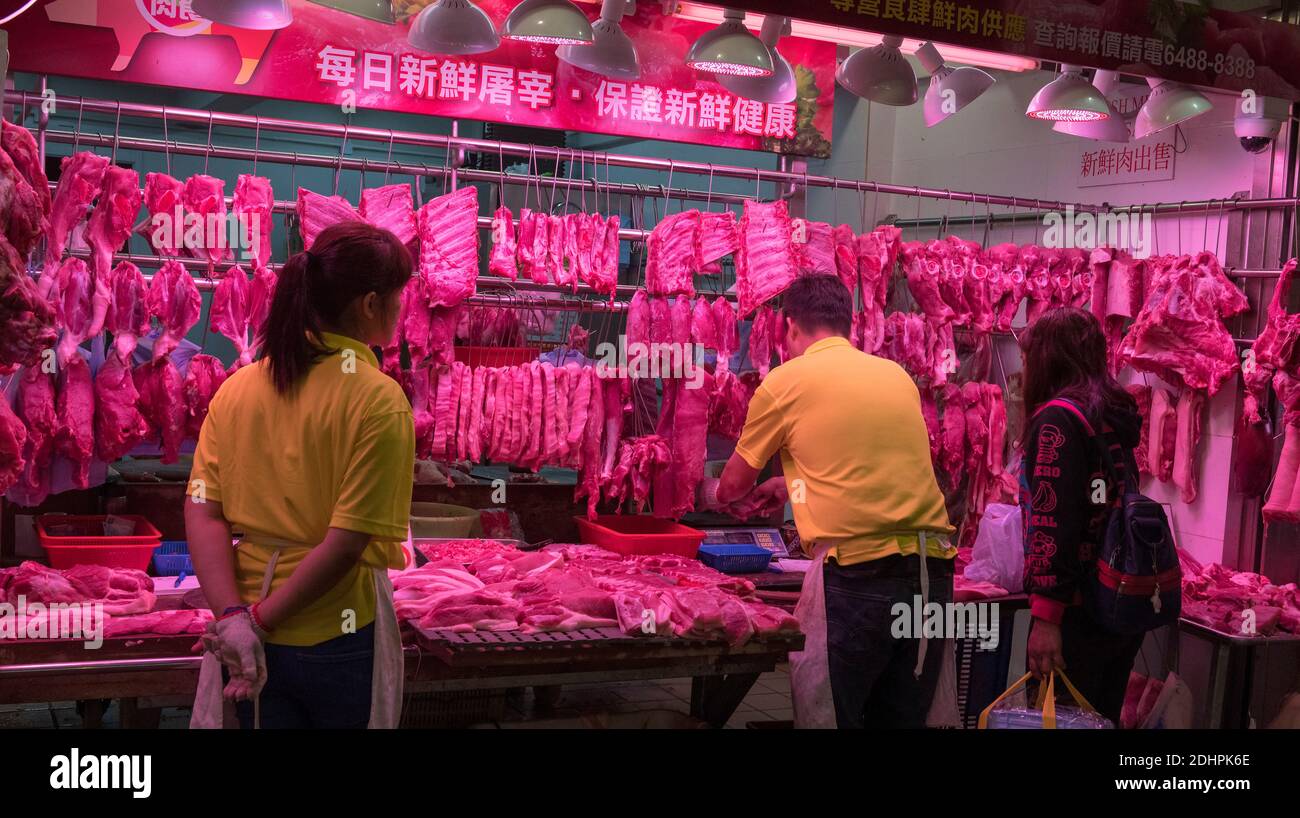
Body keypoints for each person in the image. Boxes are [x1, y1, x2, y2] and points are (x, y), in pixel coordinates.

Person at [187, 222, 415, 729]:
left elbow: (203, 511)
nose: (404, 308)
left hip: (244, 632)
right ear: (371, 305)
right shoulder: (378, 400)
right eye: (400, 296)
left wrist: (235, 620)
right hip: (336, 636)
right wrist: (258, 623)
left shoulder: (238, 388)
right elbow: (344, 544)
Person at [709, 274, 955, 729]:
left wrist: (709, 492)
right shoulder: (895, 376)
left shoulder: (785, 381)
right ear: (848, 324)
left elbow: (732, 486)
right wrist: (790, 487)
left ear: (788, 327)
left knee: (837, 719)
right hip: (932, 574)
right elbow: (868, 464)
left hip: (859, 579)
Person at [1020, 307, 1144, 725]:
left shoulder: (1058, 419)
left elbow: (1053, 522)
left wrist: (1047, 617)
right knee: (1100, 719)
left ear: (1046, 358)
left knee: (1059, 718)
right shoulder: (1110, 411)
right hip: (1118, 600)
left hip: (1077, 612)